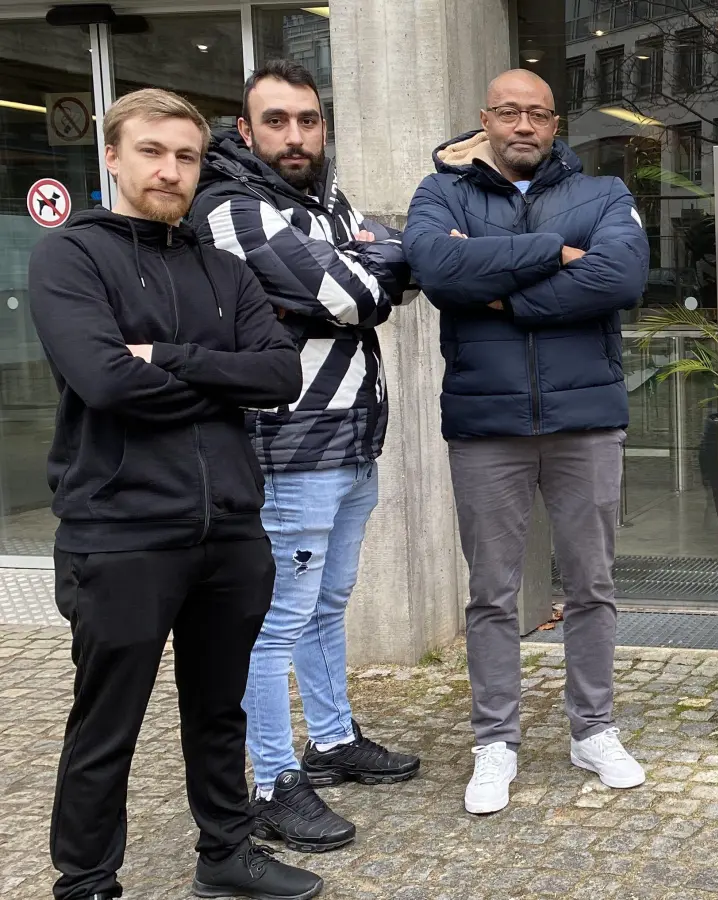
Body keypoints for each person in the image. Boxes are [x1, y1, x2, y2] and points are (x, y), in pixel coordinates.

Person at [28, 88, 321, 900]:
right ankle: (86, 882)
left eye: (186, 156)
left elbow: (280, 374)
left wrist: (164, 355)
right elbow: (105, 382)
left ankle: (225, 857)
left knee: (219, 709)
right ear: (113, 157)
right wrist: (216, 378)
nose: (170, 170)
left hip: (228, 529)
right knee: (105, 724)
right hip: (120, 532)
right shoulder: (70, 259)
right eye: (152, 152)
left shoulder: (224, 268)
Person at [404, 69, 650, 814]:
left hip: (586, 423)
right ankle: (495, 742)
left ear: (555, 123)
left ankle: (592, 729)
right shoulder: (440, 192)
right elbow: (434, 267)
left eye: (536, 114)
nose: (522, 125)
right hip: (486, 425)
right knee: (491, 593)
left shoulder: (604, 195)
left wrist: (499, 286)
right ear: (485, 118)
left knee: (592, 586)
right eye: (508, 112)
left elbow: (621, 277)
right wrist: (556, 253)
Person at [191, 59, 419, 853]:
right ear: (246, 130)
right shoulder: (230, 207)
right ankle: (270, 779)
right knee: (276, 621)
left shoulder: (324, 201)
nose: (297, 135)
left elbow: (395, 265)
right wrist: (360, 269)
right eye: (278, 121)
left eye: (309, 120)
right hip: (289, 444)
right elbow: (355, 295)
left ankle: (328, 740)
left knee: (327, 604)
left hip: (353, 436)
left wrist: (363, 266)